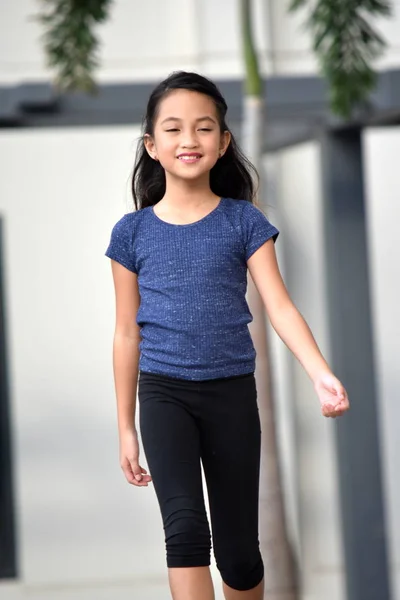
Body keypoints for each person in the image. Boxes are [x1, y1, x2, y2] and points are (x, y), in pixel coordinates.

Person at [105, 71, 350, 600]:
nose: (188, 140)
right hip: (164, 393)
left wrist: (320, 373)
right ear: (152, 145)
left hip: (232, 394)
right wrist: (126, 426)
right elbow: (126, 333)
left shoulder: (244, 221)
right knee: (186, 531)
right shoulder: (132, 233)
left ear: (223, 142)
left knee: (238, 553)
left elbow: (280, 307)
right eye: (173, 129)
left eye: (203, 128)